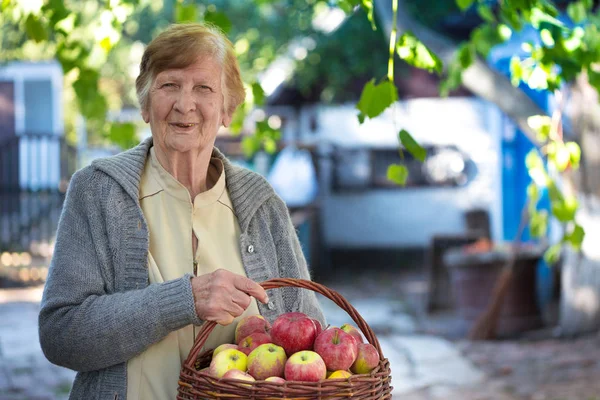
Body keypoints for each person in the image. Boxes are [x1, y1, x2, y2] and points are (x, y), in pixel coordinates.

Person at [39, 22, 325, 400]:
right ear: (144, 102)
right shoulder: (97, 191)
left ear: (227, 109)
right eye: (169, 84)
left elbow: (312, 336)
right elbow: (62, 334)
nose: (185, 104)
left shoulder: (262, 203)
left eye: (204, 88)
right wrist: (182, 300)